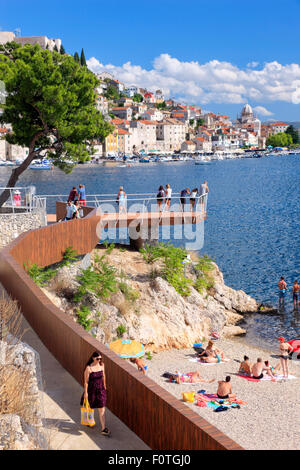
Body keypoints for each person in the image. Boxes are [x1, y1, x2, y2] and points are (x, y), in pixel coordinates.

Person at [81, 351, 110, 436]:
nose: (99, 360)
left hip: (101, 390)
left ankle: (103, 428)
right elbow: (86, 382)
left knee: (102, 409)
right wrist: (86, 393)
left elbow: (104, 375)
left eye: (100, 358)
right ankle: (89, 421)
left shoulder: (102, 365)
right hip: (92, 390)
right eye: (97, 358)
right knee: (91, 407)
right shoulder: (88, 368)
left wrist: (104, 386)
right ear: (93, 358)